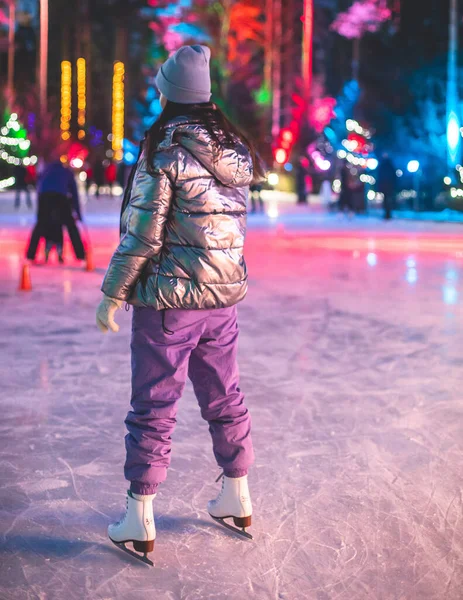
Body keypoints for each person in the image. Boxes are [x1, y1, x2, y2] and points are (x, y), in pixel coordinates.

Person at [96, 45, 264, 564]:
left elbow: (142, 235)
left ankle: (138, 516)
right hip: (222, 299)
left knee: (154, 404)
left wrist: (112, 292)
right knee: (224, 393)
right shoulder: (234, 150)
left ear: (169, 92)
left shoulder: (164, 149)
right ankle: (237, 496)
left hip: (170, 301)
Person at [26, 160, 86, 262]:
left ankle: (31, 254)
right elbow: (74, 194)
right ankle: (80, 254)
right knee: (70, 225)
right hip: (60, 197)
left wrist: (40, 214)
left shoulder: (46, 170)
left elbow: (39, 189)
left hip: (44, 197)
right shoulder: (67, 172)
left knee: (40, 225)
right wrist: (78, 213)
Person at [376, 152, 397, 220]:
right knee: (387, 200)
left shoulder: (385, 165)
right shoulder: (386, 165)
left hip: (387, 185)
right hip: (387, 185)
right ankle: (387, 213)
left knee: (387, 200)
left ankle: (388, 213)